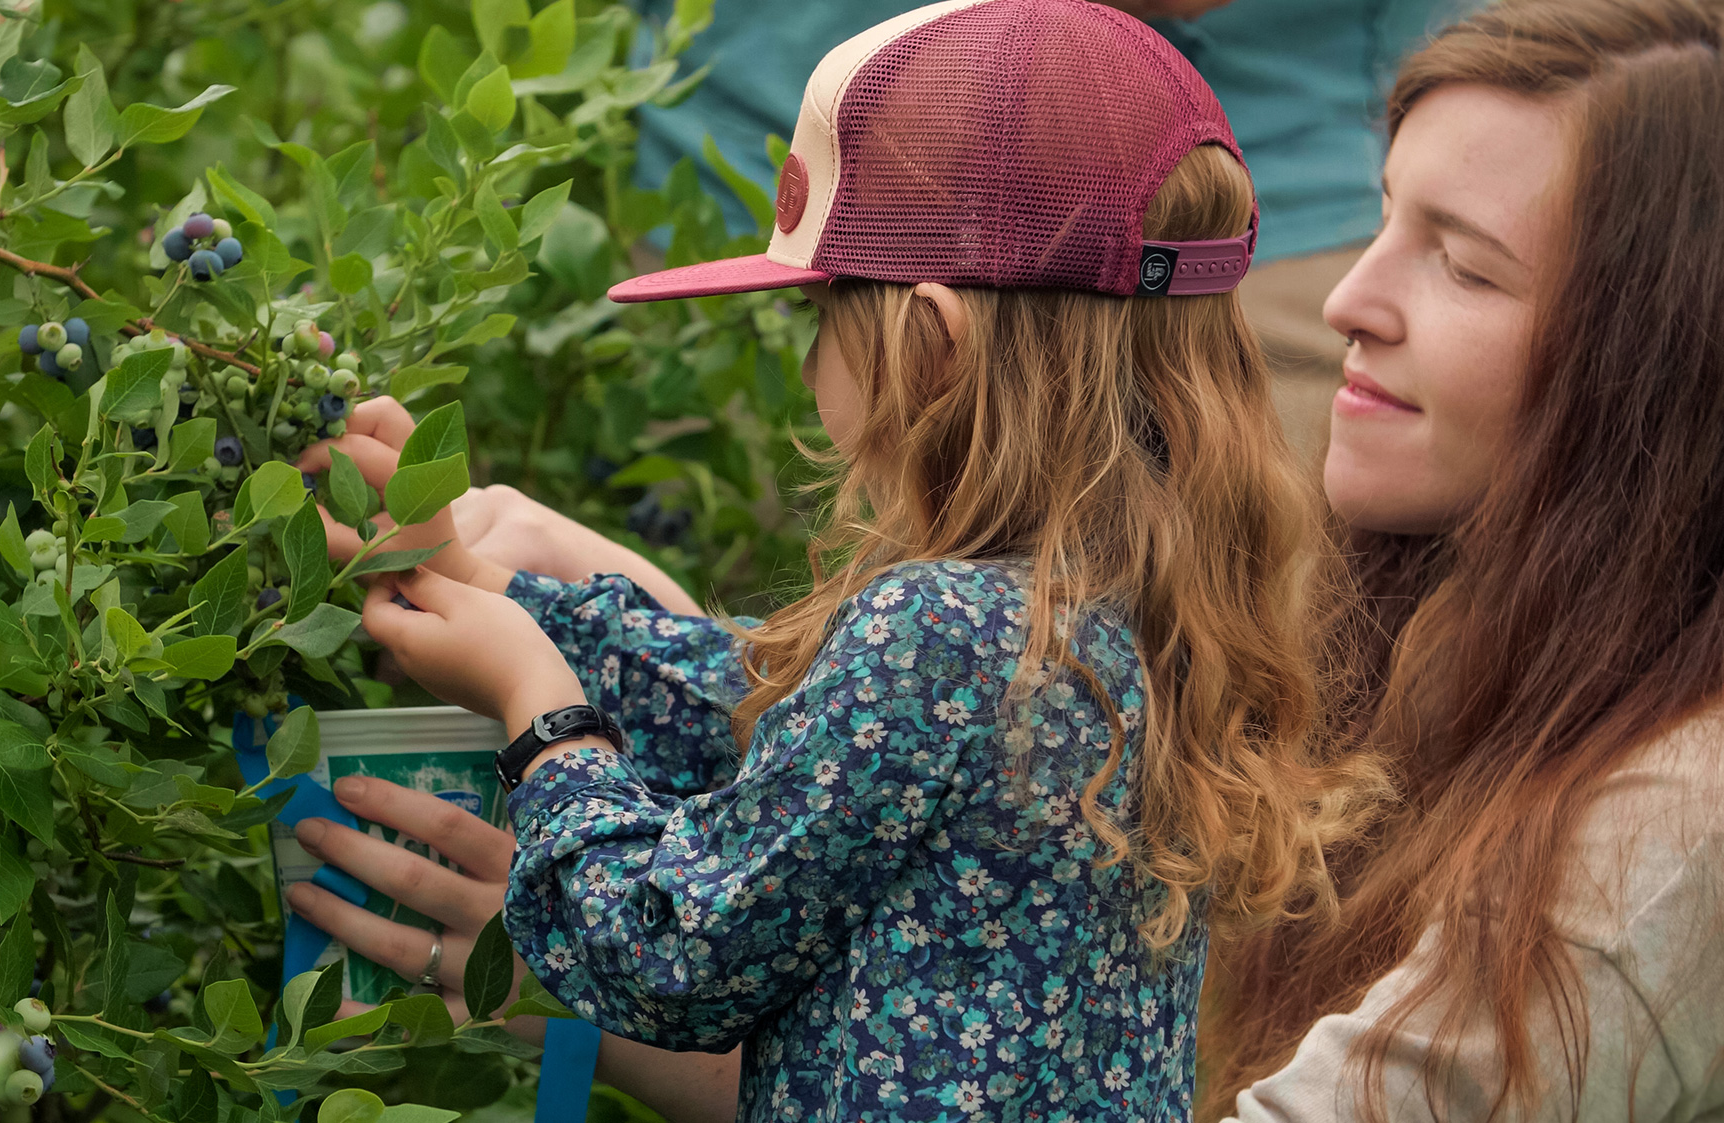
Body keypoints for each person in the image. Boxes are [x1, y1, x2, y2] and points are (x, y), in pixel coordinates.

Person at [290, 2, 1377, 1119]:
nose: (809, 357)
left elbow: (665, 954)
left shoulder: (935, 628)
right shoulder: (1134, 611)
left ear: (930, 342)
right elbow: (825, 747)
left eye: (818, 312)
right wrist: (506, 595)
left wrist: (540, 711)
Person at [1200, 1, 1724, 1118]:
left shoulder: (1672, 823)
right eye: (1385, 216)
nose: (1348, 301)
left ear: (1659, 366)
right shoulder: (1465, 633)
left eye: (1465, 270)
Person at [631, 0, 1470, 457]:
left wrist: (554, 723)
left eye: (818, 330)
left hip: (1271, 196)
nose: (808, 370)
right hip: (722, 148)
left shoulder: (917, 640)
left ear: (937, 343)